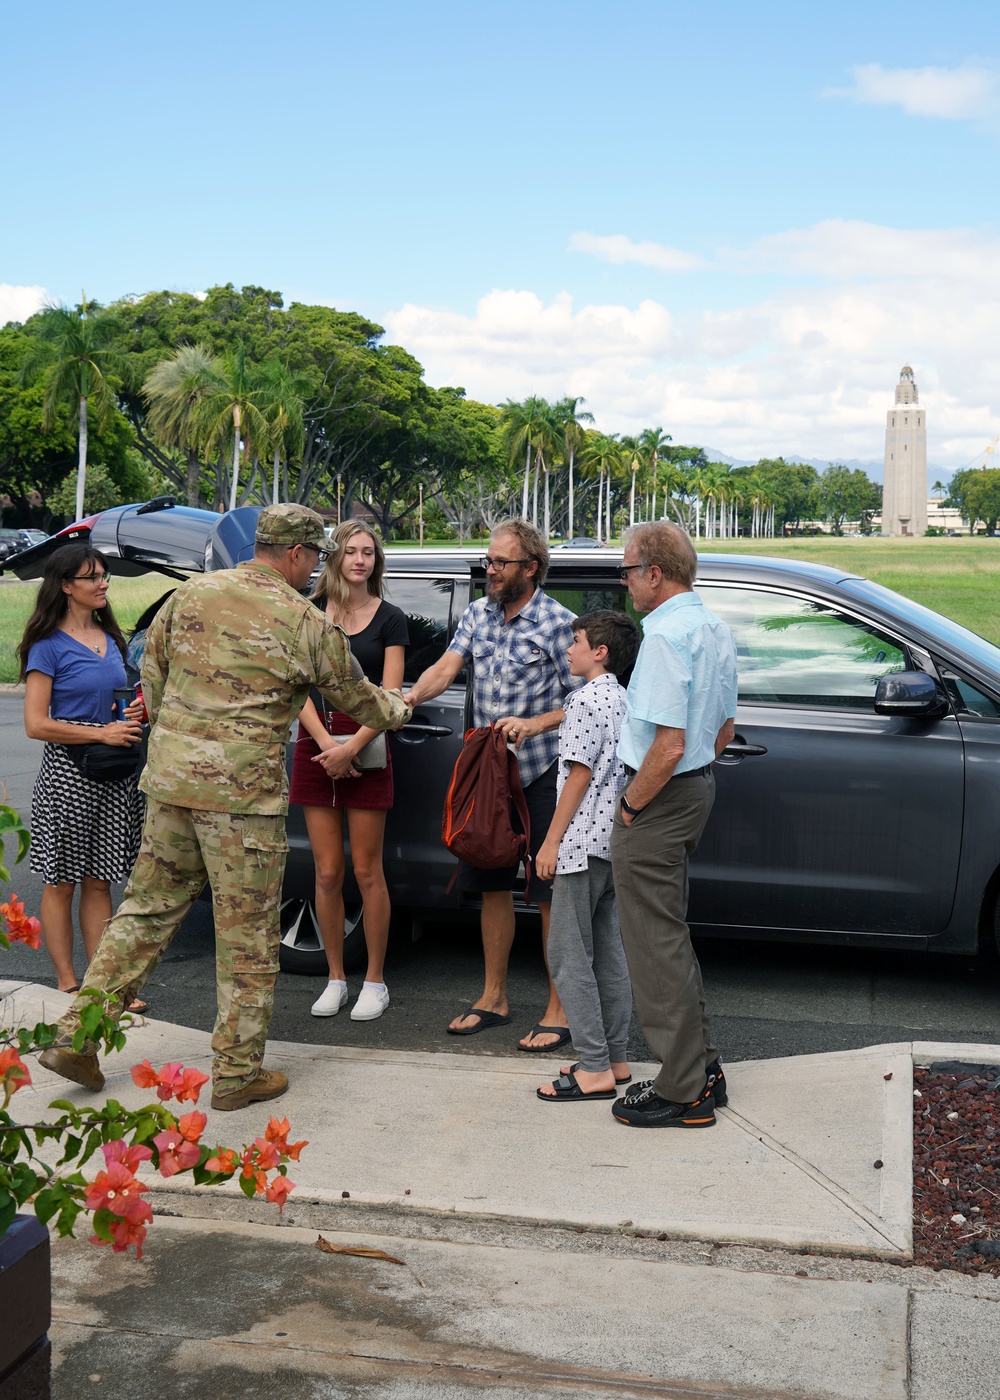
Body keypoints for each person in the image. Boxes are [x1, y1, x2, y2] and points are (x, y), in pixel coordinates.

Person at [39, 505, 411, 1111]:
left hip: (171, 785)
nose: (318, 566)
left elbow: (149, 675)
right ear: (294, 554)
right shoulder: (302, 618)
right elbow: (361, 700)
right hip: (241, 800)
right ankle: (237, 1075)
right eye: (315, 555)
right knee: (247, 937)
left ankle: (76, 1038)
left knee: (144, 913)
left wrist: (176, 740)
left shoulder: (192, 595)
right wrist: (404, 703)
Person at [403, 517, 576, 1049]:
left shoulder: (559, 623)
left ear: (531, 567)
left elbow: (586, 702)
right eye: (488, 560)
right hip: (488, 778)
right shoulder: (478, 613)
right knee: (490, 885)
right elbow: (445, 667)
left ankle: (559, 1009)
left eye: (501, 563)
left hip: (543, 770)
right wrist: (406, 699)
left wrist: (534, 724)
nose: (490, 570)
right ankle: (493, 998)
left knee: (550, 893)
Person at [609, 522, 738, 1129]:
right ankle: (702, 1068)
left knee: (653, 944)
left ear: (654, 574)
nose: (626, 581)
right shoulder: (712, 625)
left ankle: (683, 1087)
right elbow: (723, 731)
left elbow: (667, 744)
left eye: (629, 570)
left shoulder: (662, 635)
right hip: (696, 789)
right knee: (669, 935)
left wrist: (631, 808)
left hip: (658, 797)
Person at [289, 521, 409, 1022]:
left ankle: (374, 981)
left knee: (366, 871)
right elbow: (294, 687)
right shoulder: (309, 613)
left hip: (368, 742)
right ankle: (336, 978)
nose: (360, 560)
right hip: (316, 744)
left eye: (369, 552)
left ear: (376, 561)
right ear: (335, 558)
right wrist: (324, 744)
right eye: (351, 551)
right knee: (327, 872)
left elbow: (392, 696)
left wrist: (352, 745)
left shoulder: (392, 618)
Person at [18, 544, 147, 1005]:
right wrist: (100, 734)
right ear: (66, 586)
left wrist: (131, 710)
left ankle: (104, 985)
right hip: (69, 775)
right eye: (92, 576)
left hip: (115, 772)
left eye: (104, 575)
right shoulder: (47, 646)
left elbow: (118, 697)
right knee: (62, 881)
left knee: (100, 880)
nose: (103, 583)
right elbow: (36, 724)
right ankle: (68, 981)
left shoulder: (111, 639)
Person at [534, 610, 641, 1103]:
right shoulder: (624, 697)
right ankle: (616, 1057)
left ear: (599, 652)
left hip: (579, 843)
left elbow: (577, 774)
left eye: (576, 641)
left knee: (568, 953)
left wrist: (551, 840)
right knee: (610, 951)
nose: (569, 649)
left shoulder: (582, 701)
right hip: (614, 843)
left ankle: (594, 1066)